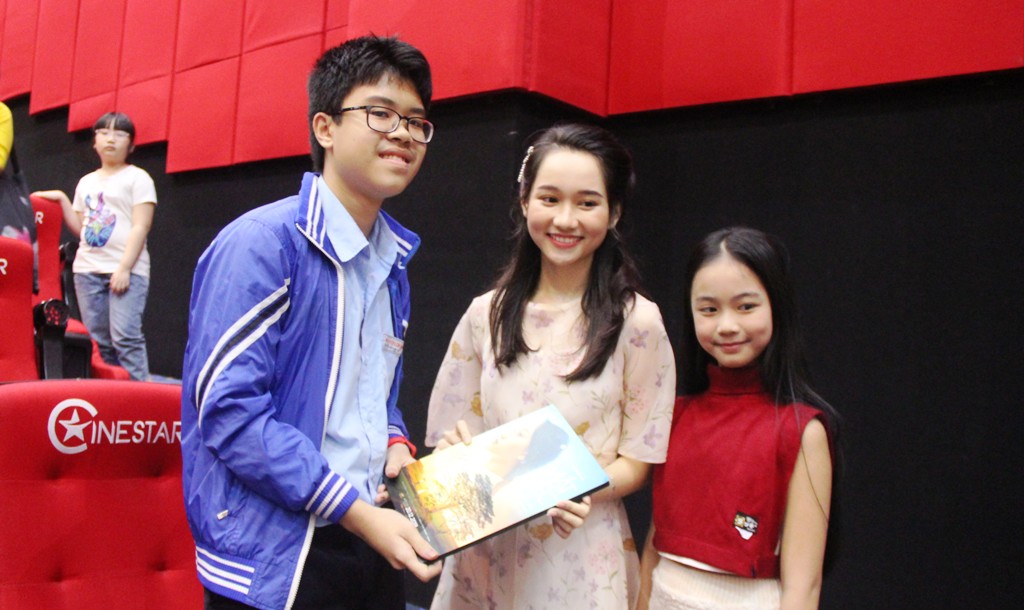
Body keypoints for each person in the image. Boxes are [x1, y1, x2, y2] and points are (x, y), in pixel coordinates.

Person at [179, 35, 442, 610]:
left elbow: (375, 394)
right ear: (325, 128)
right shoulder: (264, 244)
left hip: (368, 533)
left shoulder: (392, 262)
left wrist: (395, 442)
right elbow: (229, 412)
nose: (402, 133)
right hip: (279, 553)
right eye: (380, 113)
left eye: (417, 122)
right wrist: (352, 511)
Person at [425, 123, 677, 609]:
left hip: (579, 547)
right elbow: (454, 435)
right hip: (485, 549)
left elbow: (638, 460)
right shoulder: (487, 314)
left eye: (587, 203)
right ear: (524, 202)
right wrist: (453, 459)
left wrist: (581, 491)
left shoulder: (637, 321)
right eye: (549, 198)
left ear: (614, 211)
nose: (566, 219)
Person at [637, 226, 840, 610]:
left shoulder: (801, 430)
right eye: (709, 309)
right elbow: (656, 544)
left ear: (776, 306)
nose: (727, 325)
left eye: (746, 306)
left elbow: (803, 587)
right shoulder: (675, 415)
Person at [32, 112, 156, 381]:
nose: (111, 139)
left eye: (120, 134)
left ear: (132, 145)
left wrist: (123, 268)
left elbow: (140, 225)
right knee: (99, 342)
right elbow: (84, 229)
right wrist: (63, 200)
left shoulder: (139, 178)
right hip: (87, 271)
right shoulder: (87, 182)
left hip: (126, 271)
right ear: (94, 142)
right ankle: (113, 397)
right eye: (103, 132)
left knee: (126, 337)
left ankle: (141, 398)